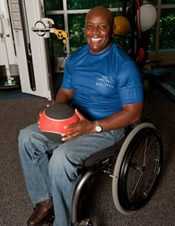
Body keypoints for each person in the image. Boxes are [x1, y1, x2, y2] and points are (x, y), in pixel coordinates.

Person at [18, 6, 143, 226]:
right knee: (27, 138)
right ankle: (45, 202)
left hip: (105, 128)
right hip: (73, 119)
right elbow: (66, 92)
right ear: (84, 29)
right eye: (90, 26)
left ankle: (65, 222)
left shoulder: (124, 66)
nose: (95, 32)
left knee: (60, 159)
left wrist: (92, 126)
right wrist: (53, 113)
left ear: (112, 30)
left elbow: (133, 114)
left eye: (102, 26)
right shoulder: (76, 59)